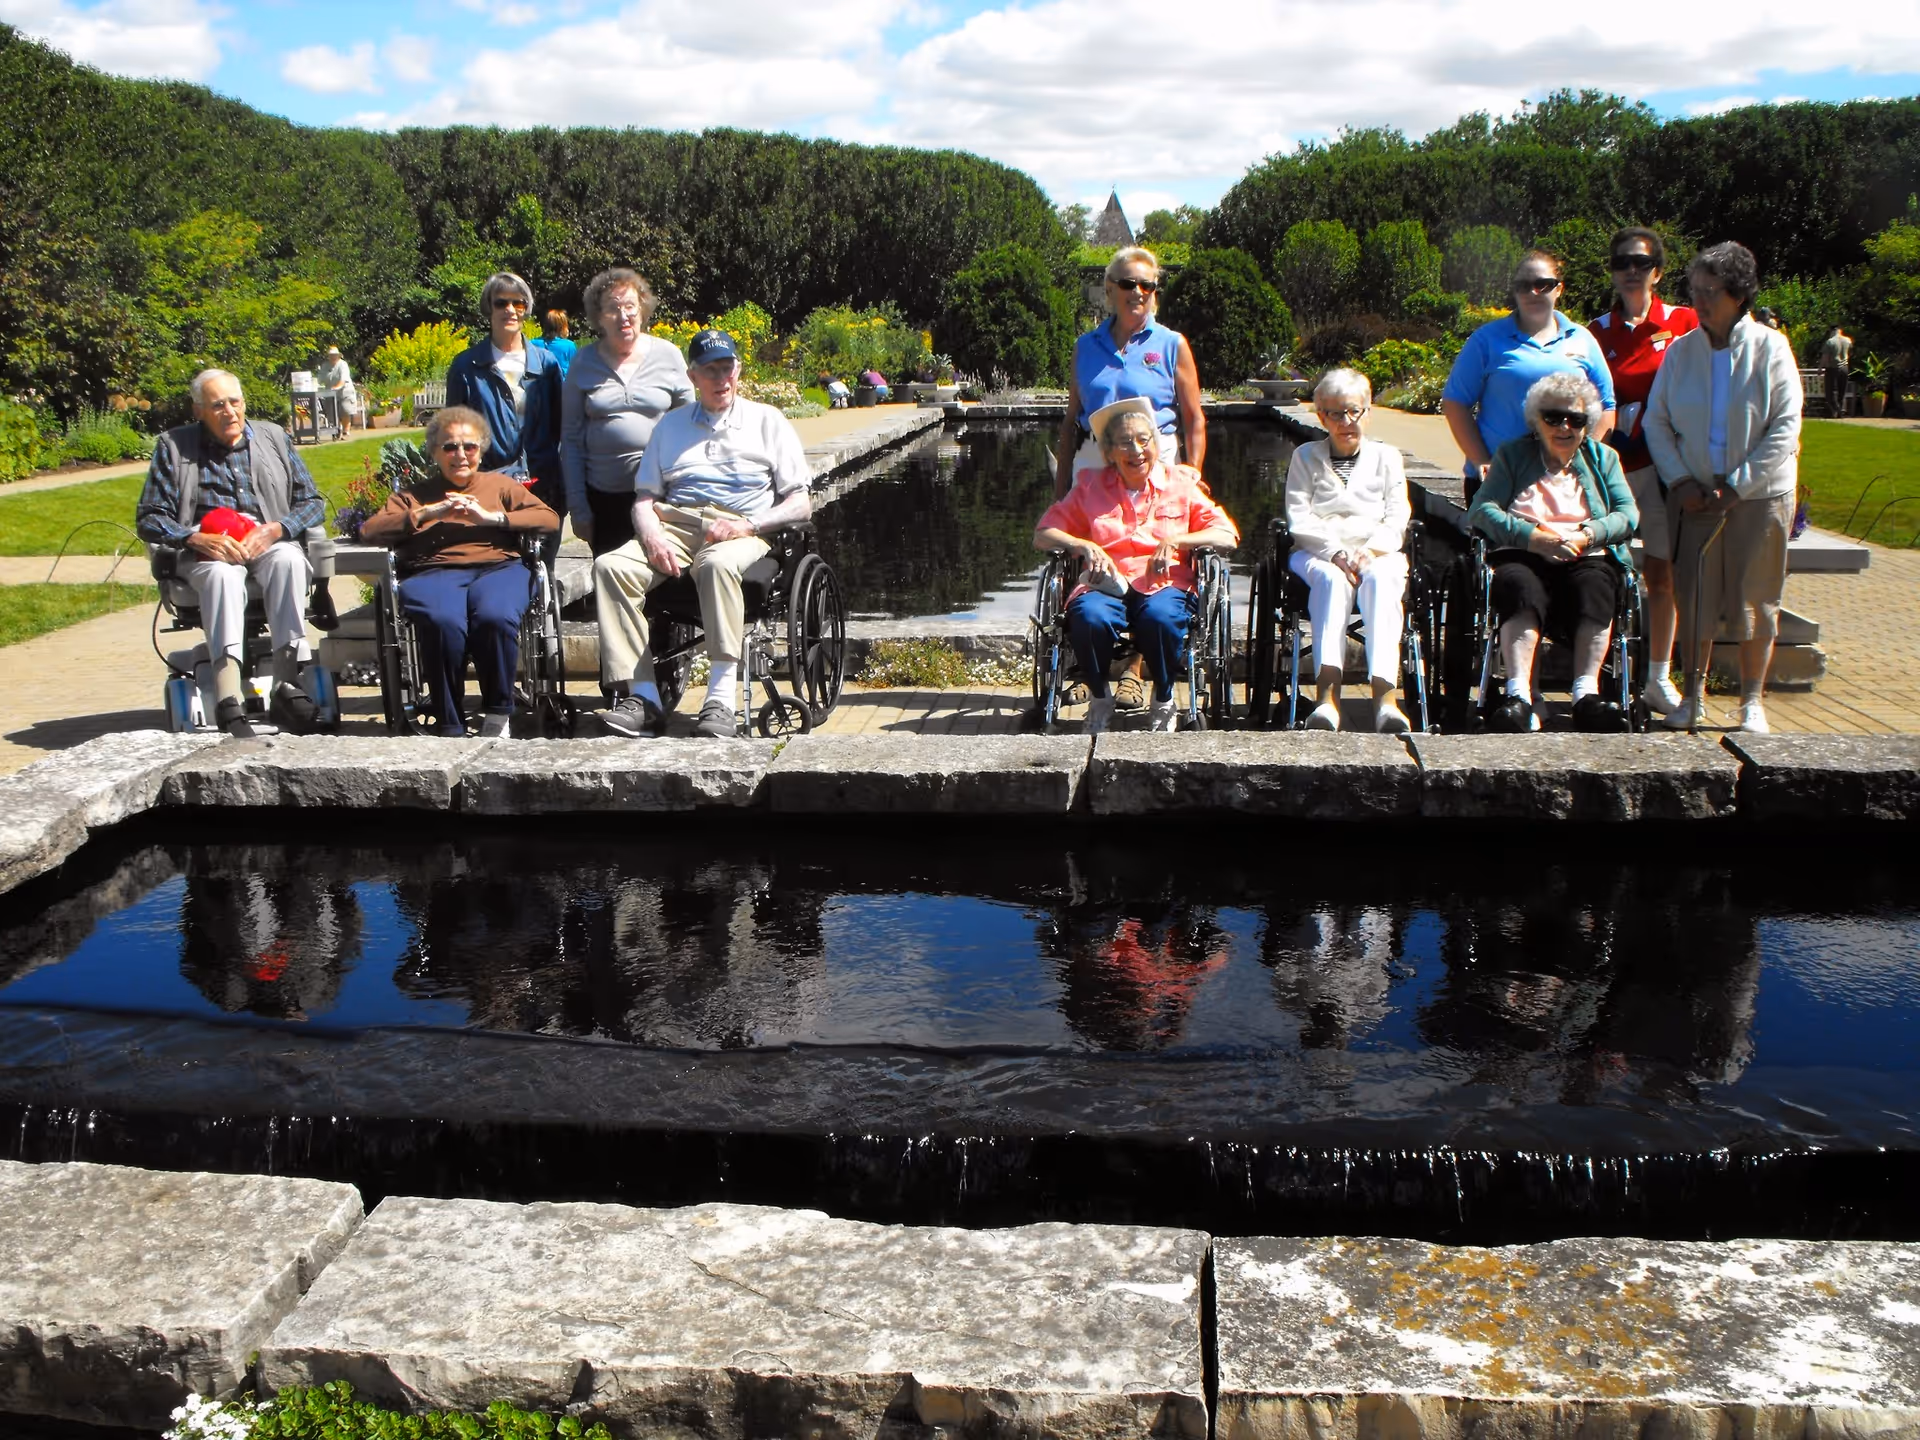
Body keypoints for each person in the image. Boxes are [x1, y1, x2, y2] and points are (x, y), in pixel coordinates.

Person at [592, 328, 813, 740]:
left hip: (741, 527)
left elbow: (801, 503)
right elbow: (644, 499)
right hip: (675, 524)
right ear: (693, 377)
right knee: (609, 566)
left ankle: (719, 699)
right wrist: (652, 537)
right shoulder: (670, 427)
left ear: (738, 369)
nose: (720, 378)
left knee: (713, 565)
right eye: (710, 370)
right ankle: (644, 698)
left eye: (727, 367)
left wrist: (748, 524)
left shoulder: (767, 421)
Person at [1644, 241, 1803, 735]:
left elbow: (1785, 425)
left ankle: (1752, 702)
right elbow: (1656, 421)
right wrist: (1682, 479)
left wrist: (1738, 485)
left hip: (1758, 497)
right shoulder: (1680, 351)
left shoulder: (1771, 348)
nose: (1701, 301)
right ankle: (1693, 696)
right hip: (1695, 496)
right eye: (1695, 290)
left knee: (1757, 599)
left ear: (1738, 294)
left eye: (1711, 291)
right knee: (1695, 599)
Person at [1054, 244, 1207, 712]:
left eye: (1148, 285)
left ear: (1155, 293)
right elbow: (1071, 418)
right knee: (1084, 555)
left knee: (1148, 559)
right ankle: (1086, 663)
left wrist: (1192, 478)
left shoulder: (1171, 344)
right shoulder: (1087, 346)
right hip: (1094, 462)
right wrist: (1060, 487)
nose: (1138, 292)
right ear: (1109, 291)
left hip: (1152, 461)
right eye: (1128, 284)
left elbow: (1194, 419)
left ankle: (1137, 672)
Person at [135, 368, 328, 738]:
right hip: (207, 551)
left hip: (265, 540)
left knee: (288, 559)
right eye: (217, 405)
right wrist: (192, 539)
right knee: (223, 576)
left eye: (235, 402)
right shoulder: (174, 447)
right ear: (199, 411)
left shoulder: (273, 437)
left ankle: (286, 686)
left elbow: (312, 502)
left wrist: (278, 529)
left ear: (244, 402)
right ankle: (227, 698)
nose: (230, 412)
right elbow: (149, 517)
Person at [1034, 397, 1239, 735]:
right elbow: (1043, 534)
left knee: (1161, 618)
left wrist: (1176, 542)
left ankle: (1163, 697)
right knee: (1088, 616)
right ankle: (1100, 698)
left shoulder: (1180, 484)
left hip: (1165, 584)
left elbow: (1227, 535)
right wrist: (1082, 544)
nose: (1137, 449)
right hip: (1105, 582)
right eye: (1125, 442)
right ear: (1109, 452)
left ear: (1156, 445)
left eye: (1144, 439)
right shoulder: (1089, 485)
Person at [357, 405, 559, 738]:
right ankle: (449, 723)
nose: (460, 454)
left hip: (499, 568)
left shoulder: (500, 486)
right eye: (449, 446)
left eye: (470, 446)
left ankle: (497, 712)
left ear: (481, 448)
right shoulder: (413, 495)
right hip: (432, 571)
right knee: (443, 621)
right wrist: (425, 513)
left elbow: (548, 519)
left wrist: (493, 519)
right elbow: (370, 531)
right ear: (435, 452)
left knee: (495, 616)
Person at [1467, 372, 1639, 733]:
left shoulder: (1603, 458)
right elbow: (1482, 510)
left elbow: (1628, 514)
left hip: (1585, 554)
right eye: (1553, 418)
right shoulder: (1513, 454)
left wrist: (1588, 534)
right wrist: (1533, 537)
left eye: (1576, 420)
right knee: (1518, 586)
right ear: (1536, 419)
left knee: (1597, 586)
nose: (1565, 427)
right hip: (1525, 552)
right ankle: (1518, 696)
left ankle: (1585, 696)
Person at [1588, 226, 1699, 719]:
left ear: (1657, 269)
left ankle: (1657, 677)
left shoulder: (1684, 323)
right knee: (1601, 570)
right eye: (1622, 262)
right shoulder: (1595, 331)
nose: (1631, 270)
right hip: (1612, 464)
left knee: (1661, 571)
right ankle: (1601, 674)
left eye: (1641, 262)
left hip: (1662, 463)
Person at [1282, 368, 1413, 734]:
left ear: (1368, 413)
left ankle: (1385, 701)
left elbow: (1398, 514)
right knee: (1330, 580)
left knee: (1383, 581)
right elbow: (1299, 516)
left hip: (1376, 552)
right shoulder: (1305, 457)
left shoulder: (1387, 457)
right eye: (1336, 413)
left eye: (1354, 411)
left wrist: (1370, 550)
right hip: (1318, 552)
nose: (1346, 421)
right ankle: (1327, 699)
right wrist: (1336, 552)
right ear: (1321, 416)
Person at [1442, 251, 1616, 496]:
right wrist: (1481, 460)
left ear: (1559, 289)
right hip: (1501, 482)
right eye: (1523, 286)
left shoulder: (1582, 339)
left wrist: (1588, 459)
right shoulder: (1486, 340)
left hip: (1565, 483)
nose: (1533, 292)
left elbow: (1606, 405)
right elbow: (1455, 403)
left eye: (1543, 284)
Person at [561, 267, 694, 557]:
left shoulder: (668, 355)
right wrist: (578, 506)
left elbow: (692, 423)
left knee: (668, 584)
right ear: (599, 317)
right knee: (613, 582)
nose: (624, 316)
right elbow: (570, 440)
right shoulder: (583, 363)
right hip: (605, 497)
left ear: (642, 309)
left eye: (630, 306)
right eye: (613, 308)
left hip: (663, 496)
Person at [445, 273, 564, 562]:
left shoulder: (546, 364)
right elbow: (453, 432)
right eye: (501, 303)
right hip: (490, 483)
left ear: (527, 310)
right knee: (500, 567)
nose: (510, 310)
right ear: (489, 308)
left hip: (542, 484)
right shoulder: (467, 366)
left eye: (519, 303)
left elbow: (561, 425)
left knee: (542, 574)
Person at [320, 345, 361, 431]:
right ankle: (337, 431)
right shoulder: (325, 366)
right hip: (331, 393)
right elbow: (320, 378)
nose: (333, 357)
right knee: (332, 413)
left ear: (338, 355)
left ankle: (346, 431)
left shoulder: (343, 365)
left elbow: (343, 379)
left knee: (345, 411)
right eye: (331, 355)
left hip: (345, 391)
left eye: (335, 355)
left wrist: (336, 387)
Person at [1818, 325, 1853, 418]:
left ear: (1832, 331)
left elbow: (1825, 357)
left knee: (1830, 392)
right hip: (1845, 367)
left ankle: (1837, 409)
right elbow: (1850, 353)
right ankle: (1840, 410)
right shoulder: (1848, 340)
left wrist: (1820, 368)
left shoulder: (1830, 342)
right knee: (1842, 391)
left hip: (1833, 367)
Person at [539, 310, 577, 378]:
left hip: (539, 385)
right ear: (563, 326)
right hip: (562, 386)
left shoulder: (533, 344)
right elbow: (575, 372)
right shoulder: (569, 346)